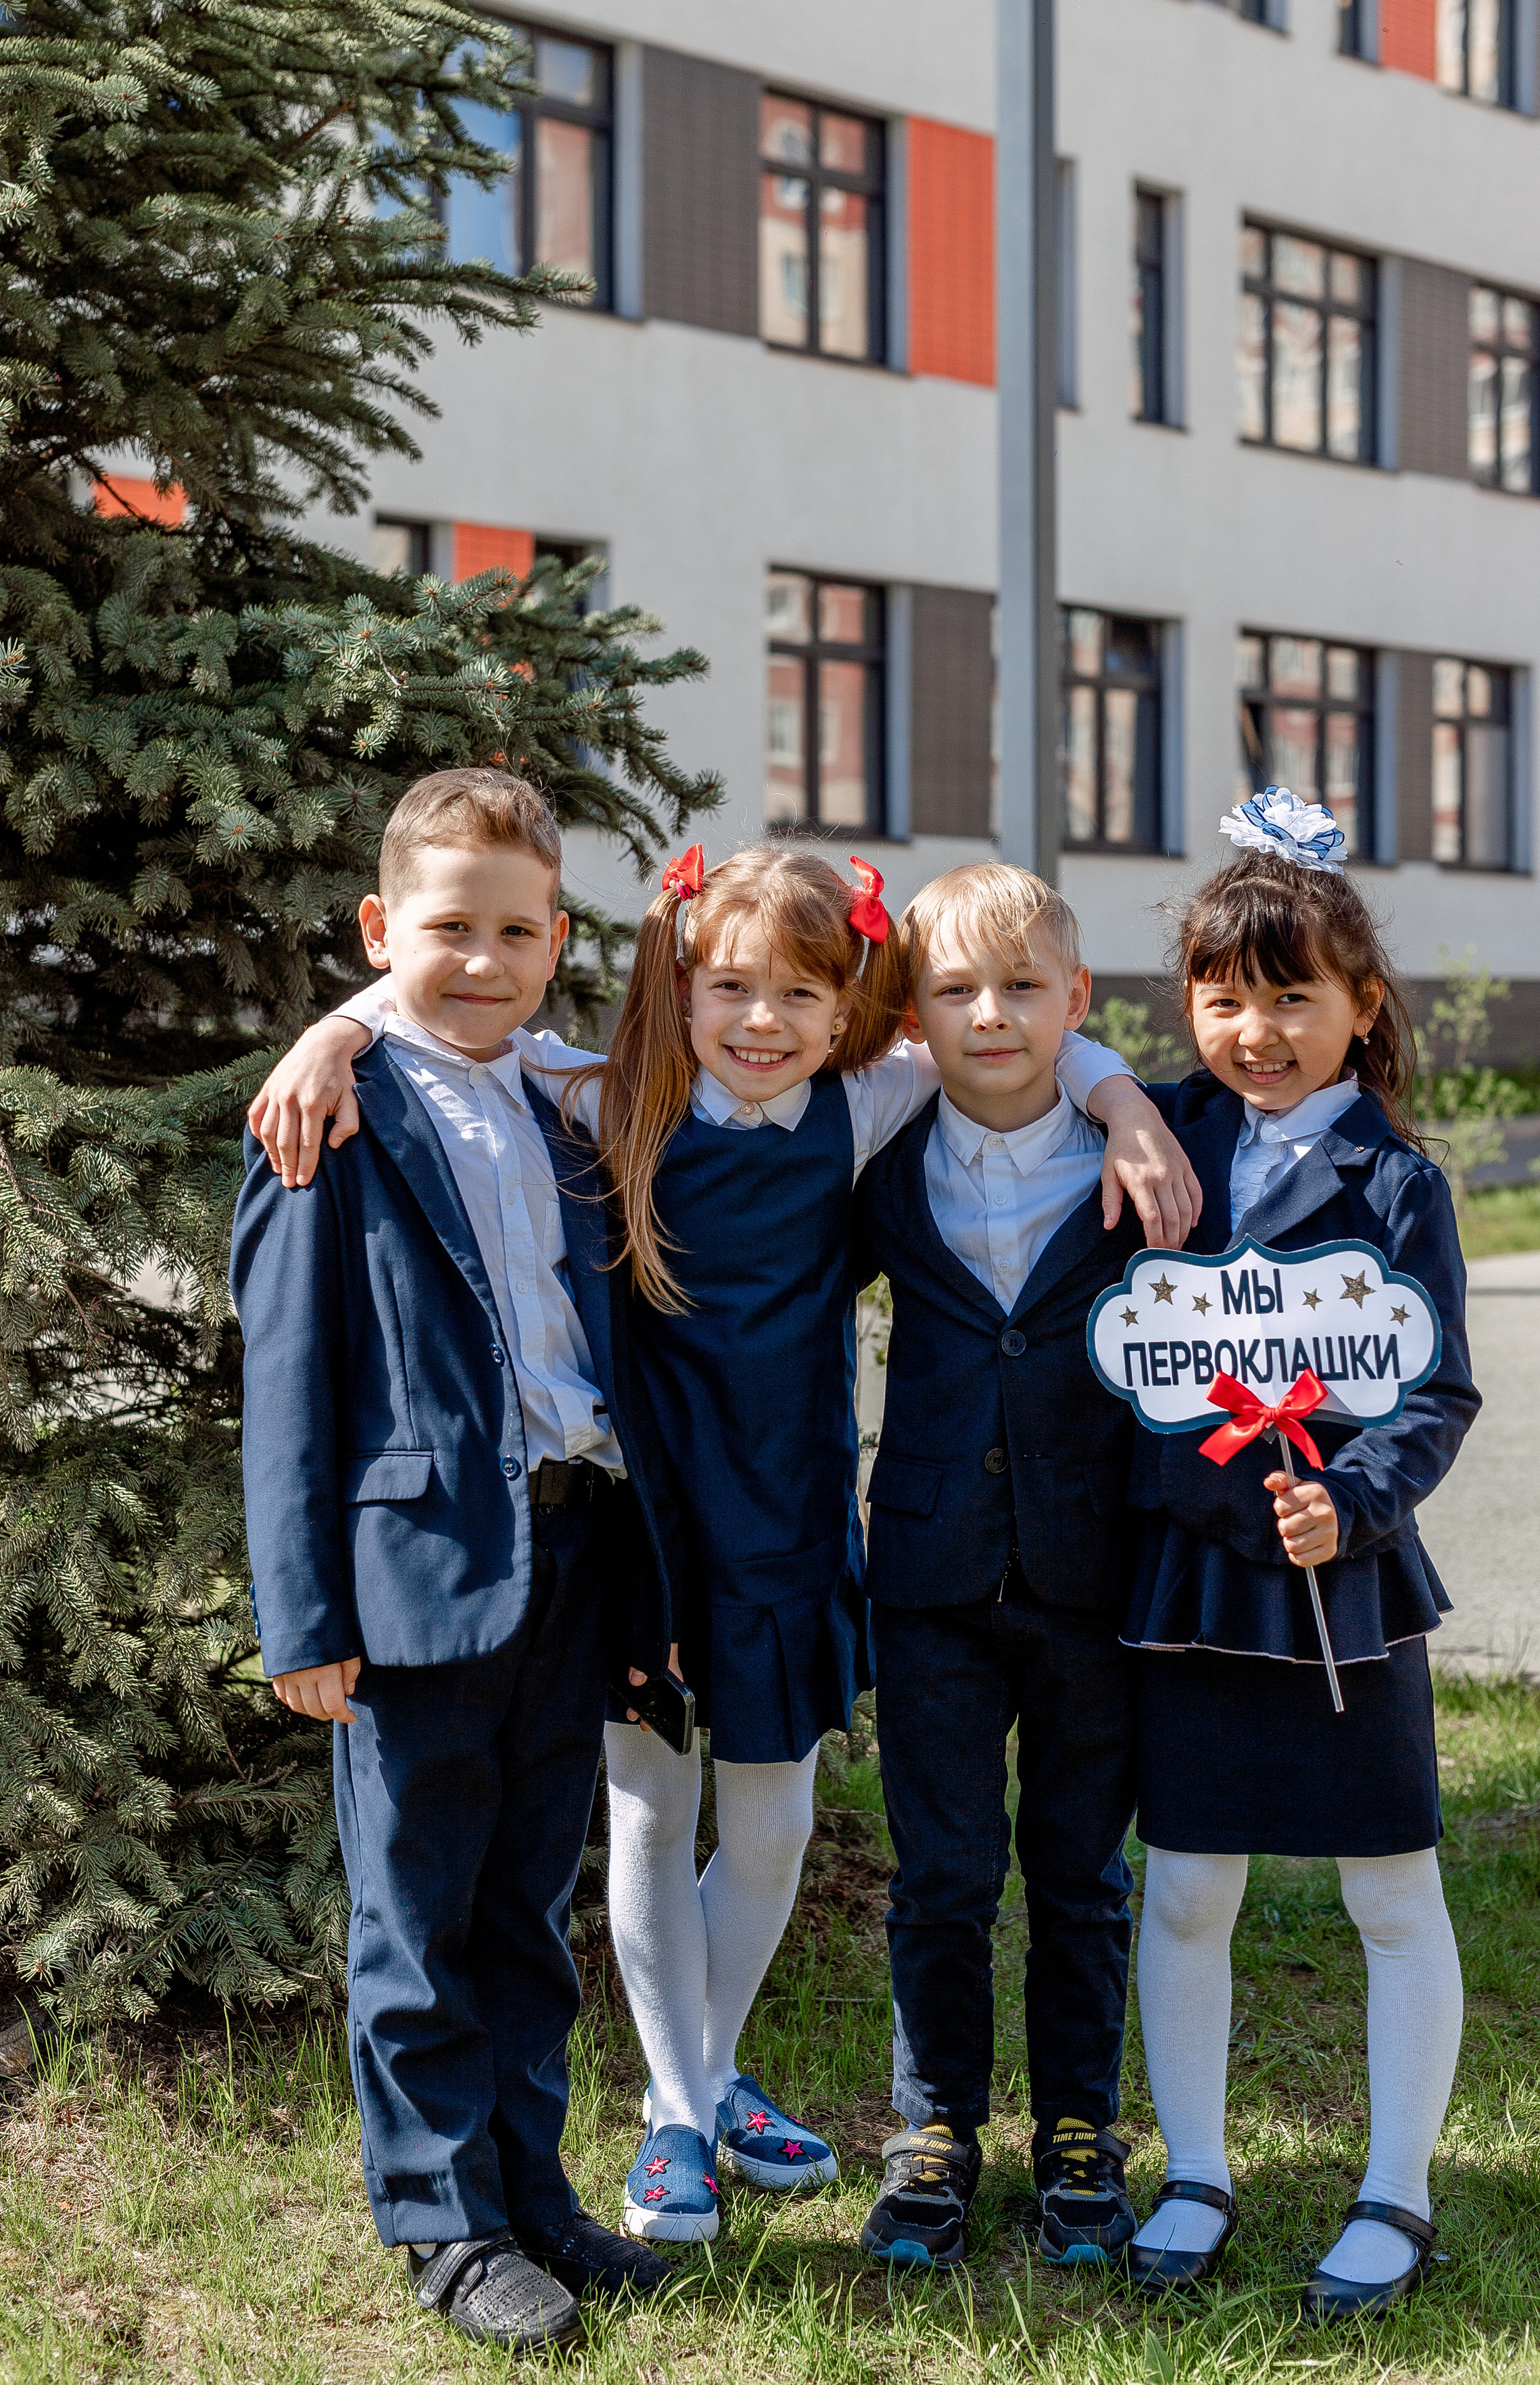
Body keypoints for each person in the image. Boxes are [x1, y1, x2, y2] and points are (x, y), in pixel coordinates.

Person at [249, 841, 1198, 2244]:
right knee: (646, 1806)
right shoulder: (605, 1095)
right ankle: (680, 2119)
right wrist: (332, 1028)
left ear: (844, 1008)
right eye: (730, 987)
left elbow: (1013, 1033)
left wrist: (1121, 1100)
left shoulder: (862, 1102)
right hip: (649, 1521)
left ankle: (705, 2068)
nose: (762, 1021)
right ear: (677, 984)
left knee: (770, 1825)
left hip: (792, 1516)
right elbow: (448, 1021)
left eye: (800, 994)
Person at [230, 768, 681, 2354]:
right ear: (378, 930)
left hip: (565, 1560)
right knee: (417, 1917)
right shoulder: (332, 1117)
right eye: (445, 931)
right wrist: (302, 1611)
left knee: (523, 1906)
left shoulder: (565, 1101)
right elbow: (287, 1379)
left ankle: (532, 2197)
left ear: (554, 941)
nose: (480, 961)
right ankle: (443, 2224)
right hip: (410, 1576)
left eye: (513, 931)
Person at [1120, 789, 1480, 2321]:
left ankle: (1392, 2191)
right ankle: (1192, 2170)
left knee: (1389, 1895)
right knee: (1186, 1883)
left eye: (1290, 1000)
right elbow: (1122, 1356)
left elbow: (1439, 1386)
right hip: (1198, 1570)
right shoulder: (1147, 1135)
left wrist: (1355, 1497)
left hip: (1345, 1579)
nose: (1254, 1032)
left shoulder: (1399, 1180)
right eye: (1222, 999)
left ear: (1359, 1005)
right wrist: (1214, 1484)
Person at [848, 864, 1175, 2273]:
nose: (992, 1015)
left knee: (1079, 1873)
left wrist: (1121, 1097)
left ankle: (1081, 2133)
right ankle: (932, 2130)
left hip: (1091, 1575)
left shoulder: (1141, 1158)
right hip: (926, 1576)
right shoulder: (870, 1157)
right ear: (908, 1017)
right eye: (954, 991)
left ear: (1074, 1003)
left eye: (1024, 988)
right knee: (939, 1870)